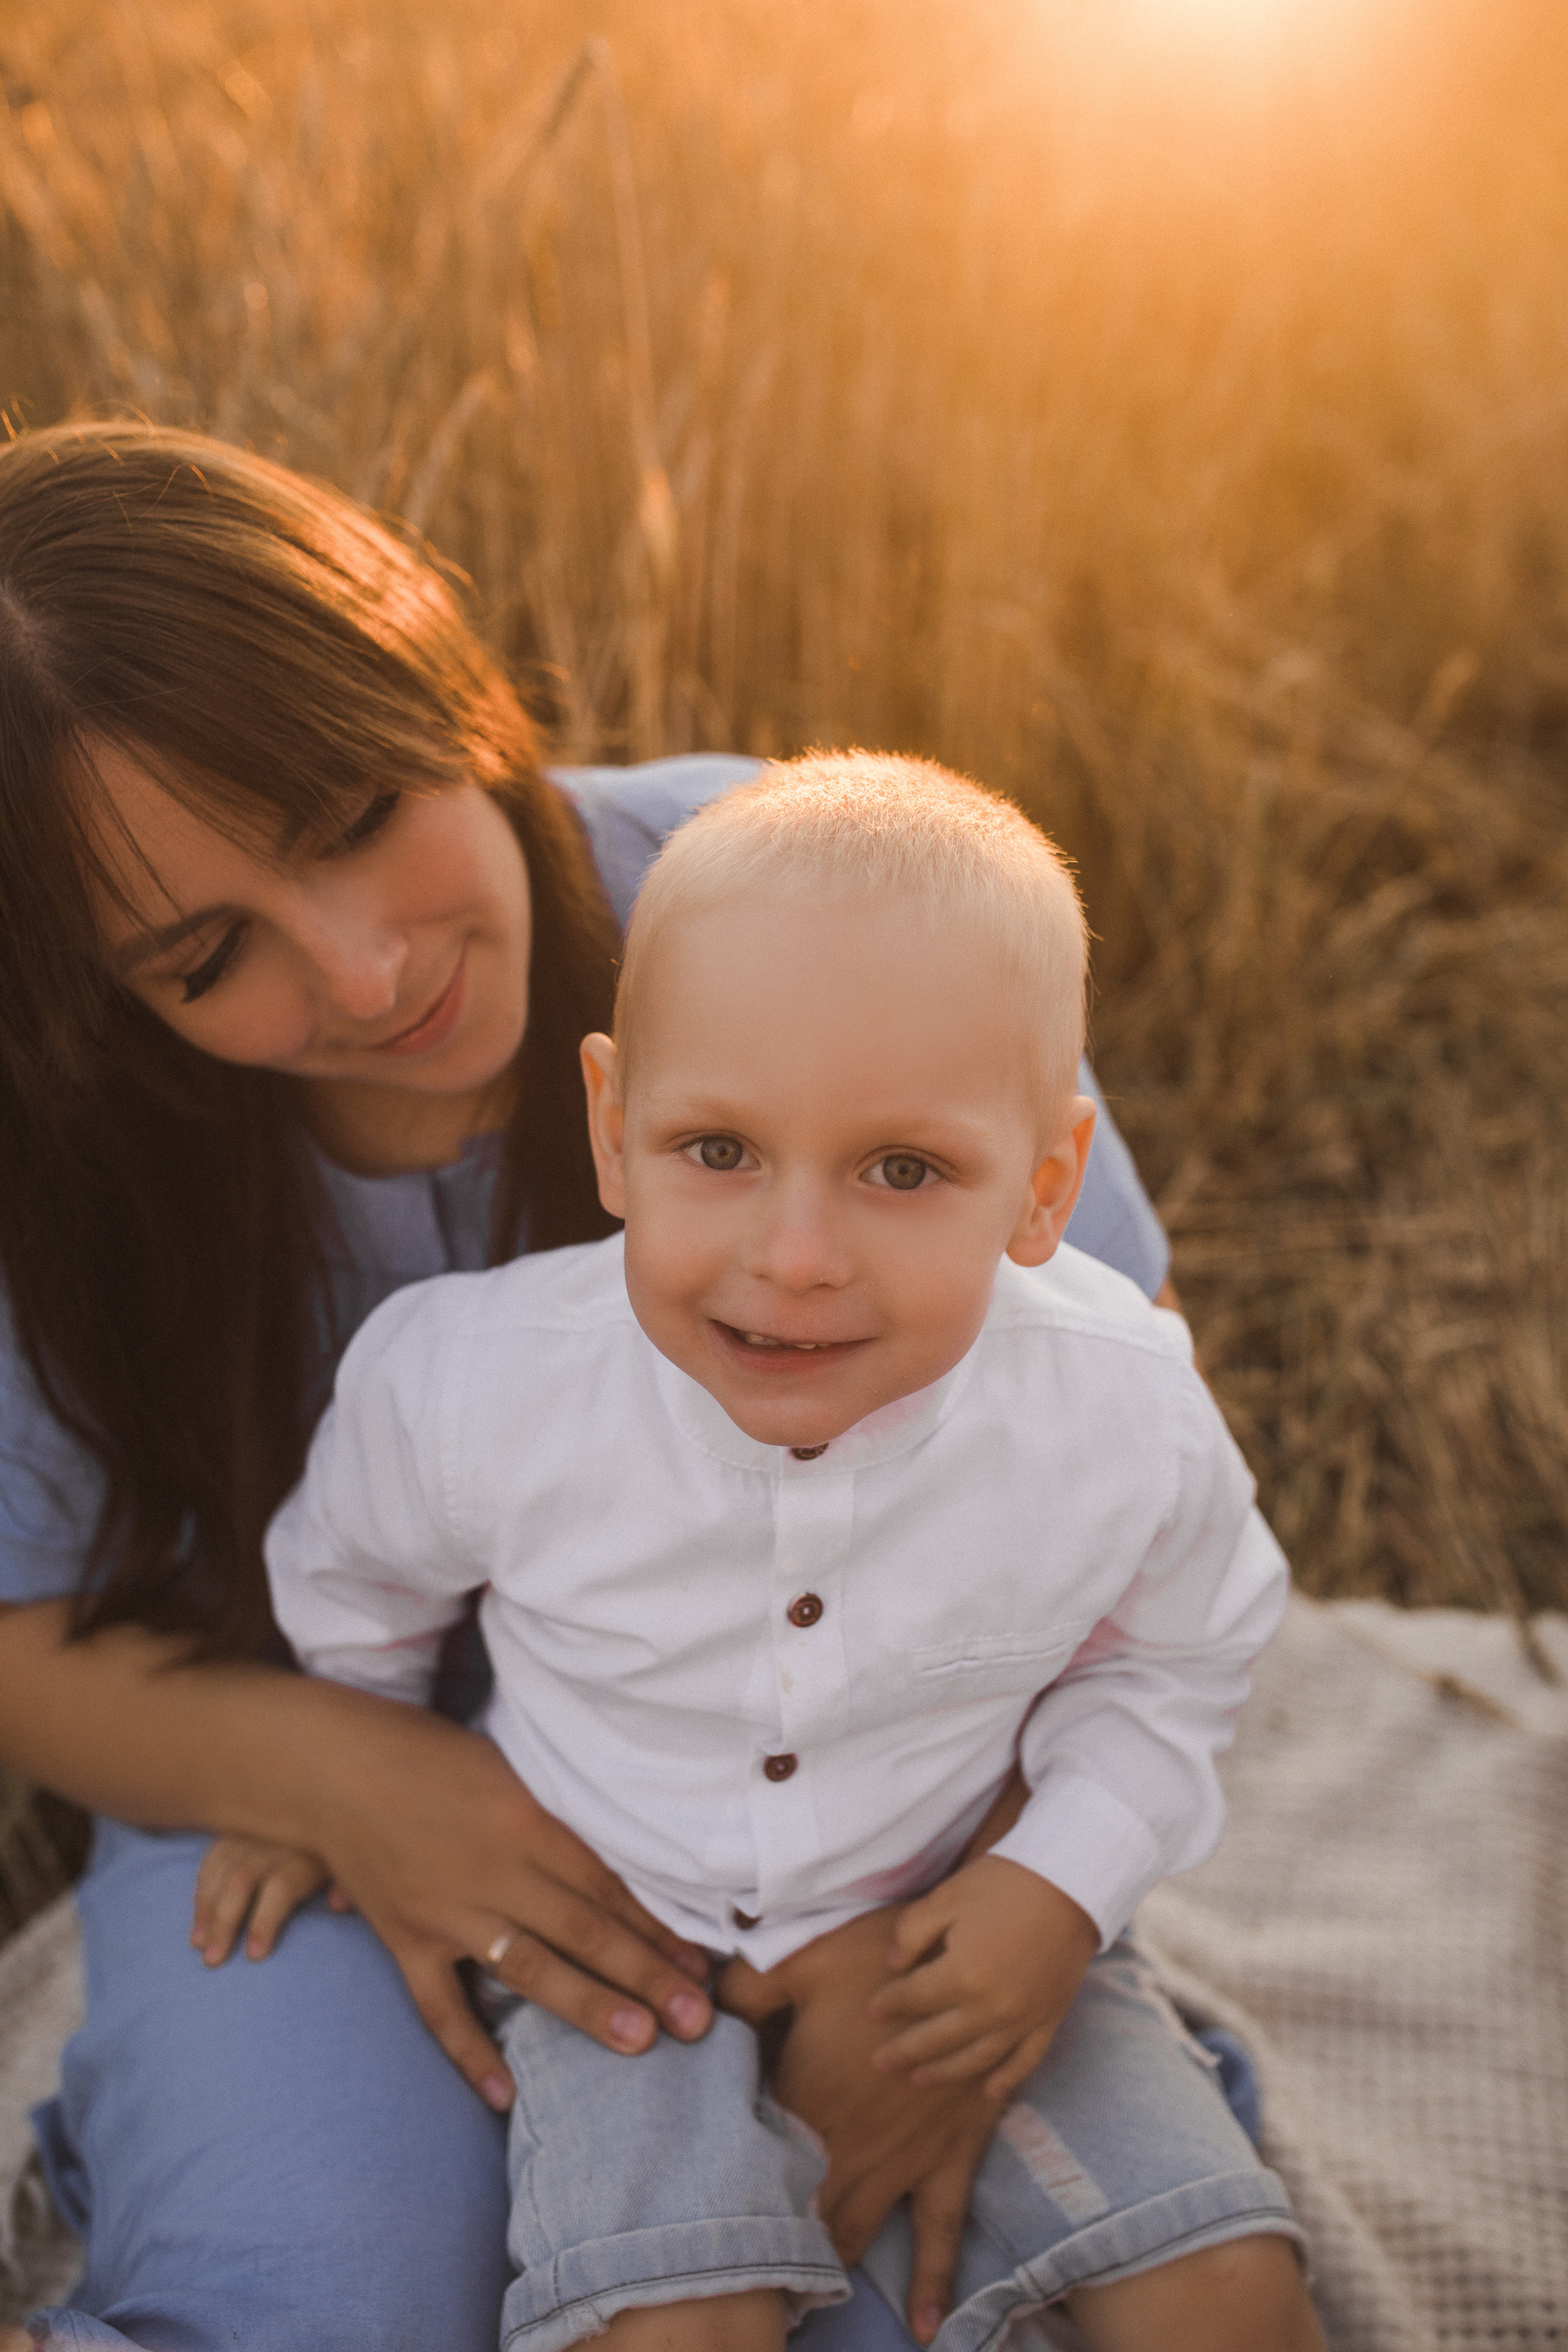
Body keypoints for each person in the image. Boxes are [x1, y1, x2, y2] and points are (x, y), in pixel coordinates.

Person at [0, 420, 1251, 2352]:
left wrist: (960, 1894)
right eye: (204, 954)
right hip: (280, 1754)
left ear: (430, 664)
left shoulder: (802, 907)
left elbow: (1090, 1488)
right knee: (321, 2303)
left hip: (897, 1779)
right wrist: (347, 1775)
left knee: (926, 2293)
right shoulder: (63, 1143)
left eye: (351, 813)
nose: (358, 968)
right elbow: (29, 1638)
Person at [254, 756, 1321, 2352]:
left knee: (1223, 2290)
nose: (797, 1256)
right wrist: (342, 1775)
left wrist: (1059, 1883)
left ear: (1043, 1189)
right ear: (612, 1130)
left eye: (904, 1171)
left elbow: (1182, 1660)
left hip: (954, 1918)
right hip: (607, 1936)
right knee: (674, 2321)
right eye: (720, 1152)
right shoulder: (474, 1386)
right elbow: (355, 1590)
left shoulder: (1119, 1416)